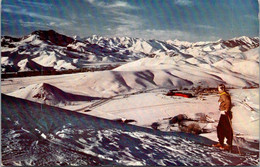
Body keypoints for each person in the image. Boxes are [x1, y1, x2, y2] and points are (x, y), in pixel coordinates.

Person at [212, 84, 233, 151]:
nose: (218, 90)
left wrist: (227, 110)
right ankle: (221, 142)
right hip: (223, 113)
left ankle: (228, 145)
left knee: (226, 129)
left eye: (219, 89)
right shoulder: (223, 95)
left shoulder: (224, 95)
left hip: (225, 113)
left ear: (221, 89)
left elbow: (228, 102)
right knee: (220, 128)